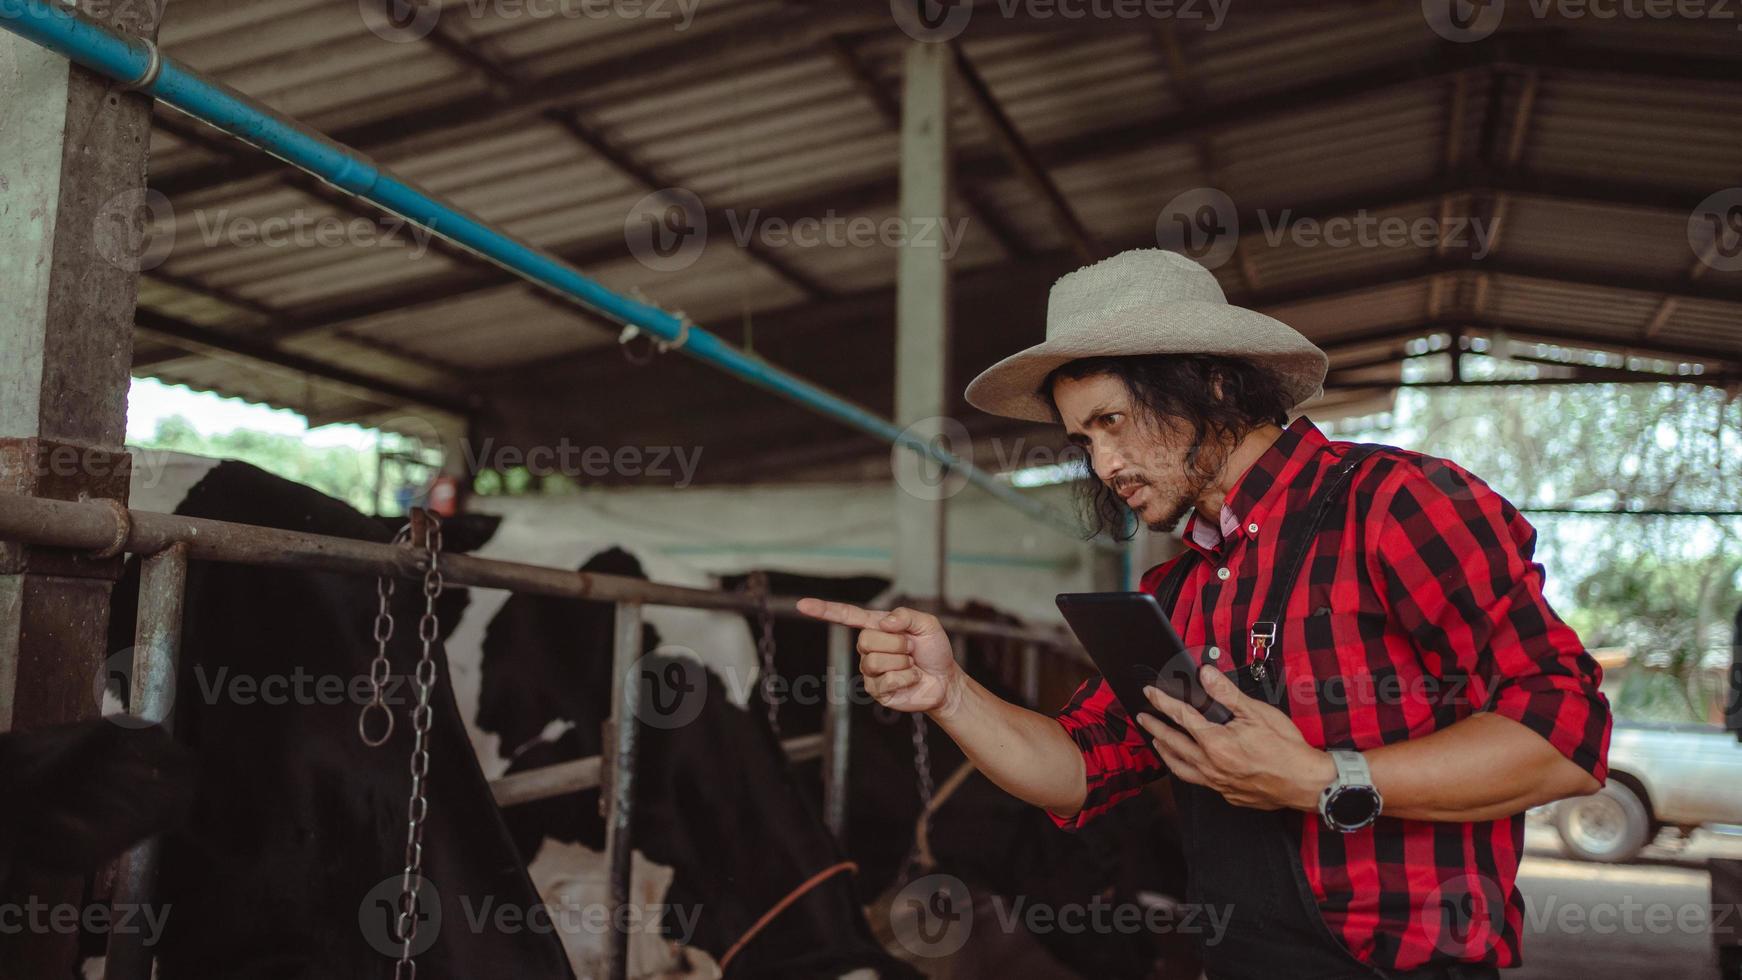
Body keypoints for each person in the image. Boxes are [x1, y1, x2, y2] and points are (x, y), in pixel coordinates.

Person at [798, 248, 1612, 980]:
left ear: (1213, 382)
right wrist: (951, 695)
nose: (1104, 463)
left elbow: (1563, 737)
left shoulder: (1396, 505)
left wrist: (1326, 780)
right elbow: (1079, 770)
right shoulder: (1178, 593)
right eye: (1082, 440)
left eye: (1113, 421)